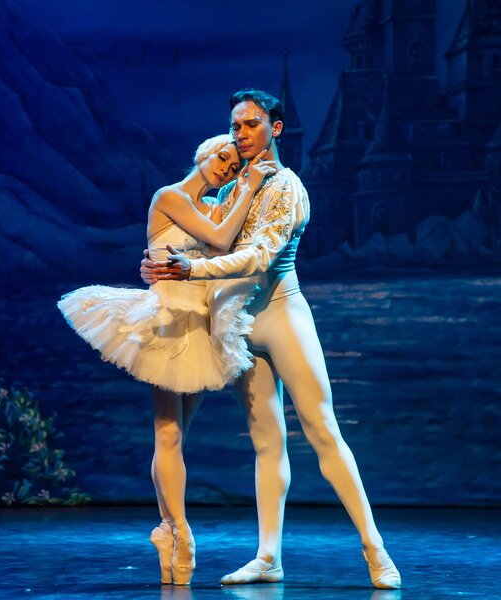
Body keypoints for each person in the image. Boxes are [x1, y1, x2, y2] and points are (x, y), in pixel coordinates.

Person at [141, 89, 402, 590]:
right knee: (266, 443)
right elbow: (200, 240)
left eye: (251, 124)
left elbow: (259, 255)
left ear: (275, 128)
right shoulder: (232, 188)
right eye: (235, 126)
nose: (240, 134)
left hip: (282, 314)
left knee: (323, 432)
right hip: (240, 322)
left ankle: (376, 550)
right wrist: (159, 264)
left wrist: (191, 269)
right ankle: (267, 557)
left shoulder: (287, 186)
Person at [57, 134, 276, 585]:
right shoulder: (170, 197)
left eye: (234, 166)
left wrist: (246, 191)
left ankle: (165, 531)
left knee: (176, 438)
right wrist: (251, 185)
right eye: (222, 157)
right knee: (168, 432)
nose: (226, 167)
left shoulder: (214, 207)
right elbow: (220, 239)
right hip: (167, 320)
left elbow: (229, 251)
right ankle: (179, 530)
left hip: (199, 327)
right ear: (202, 155)